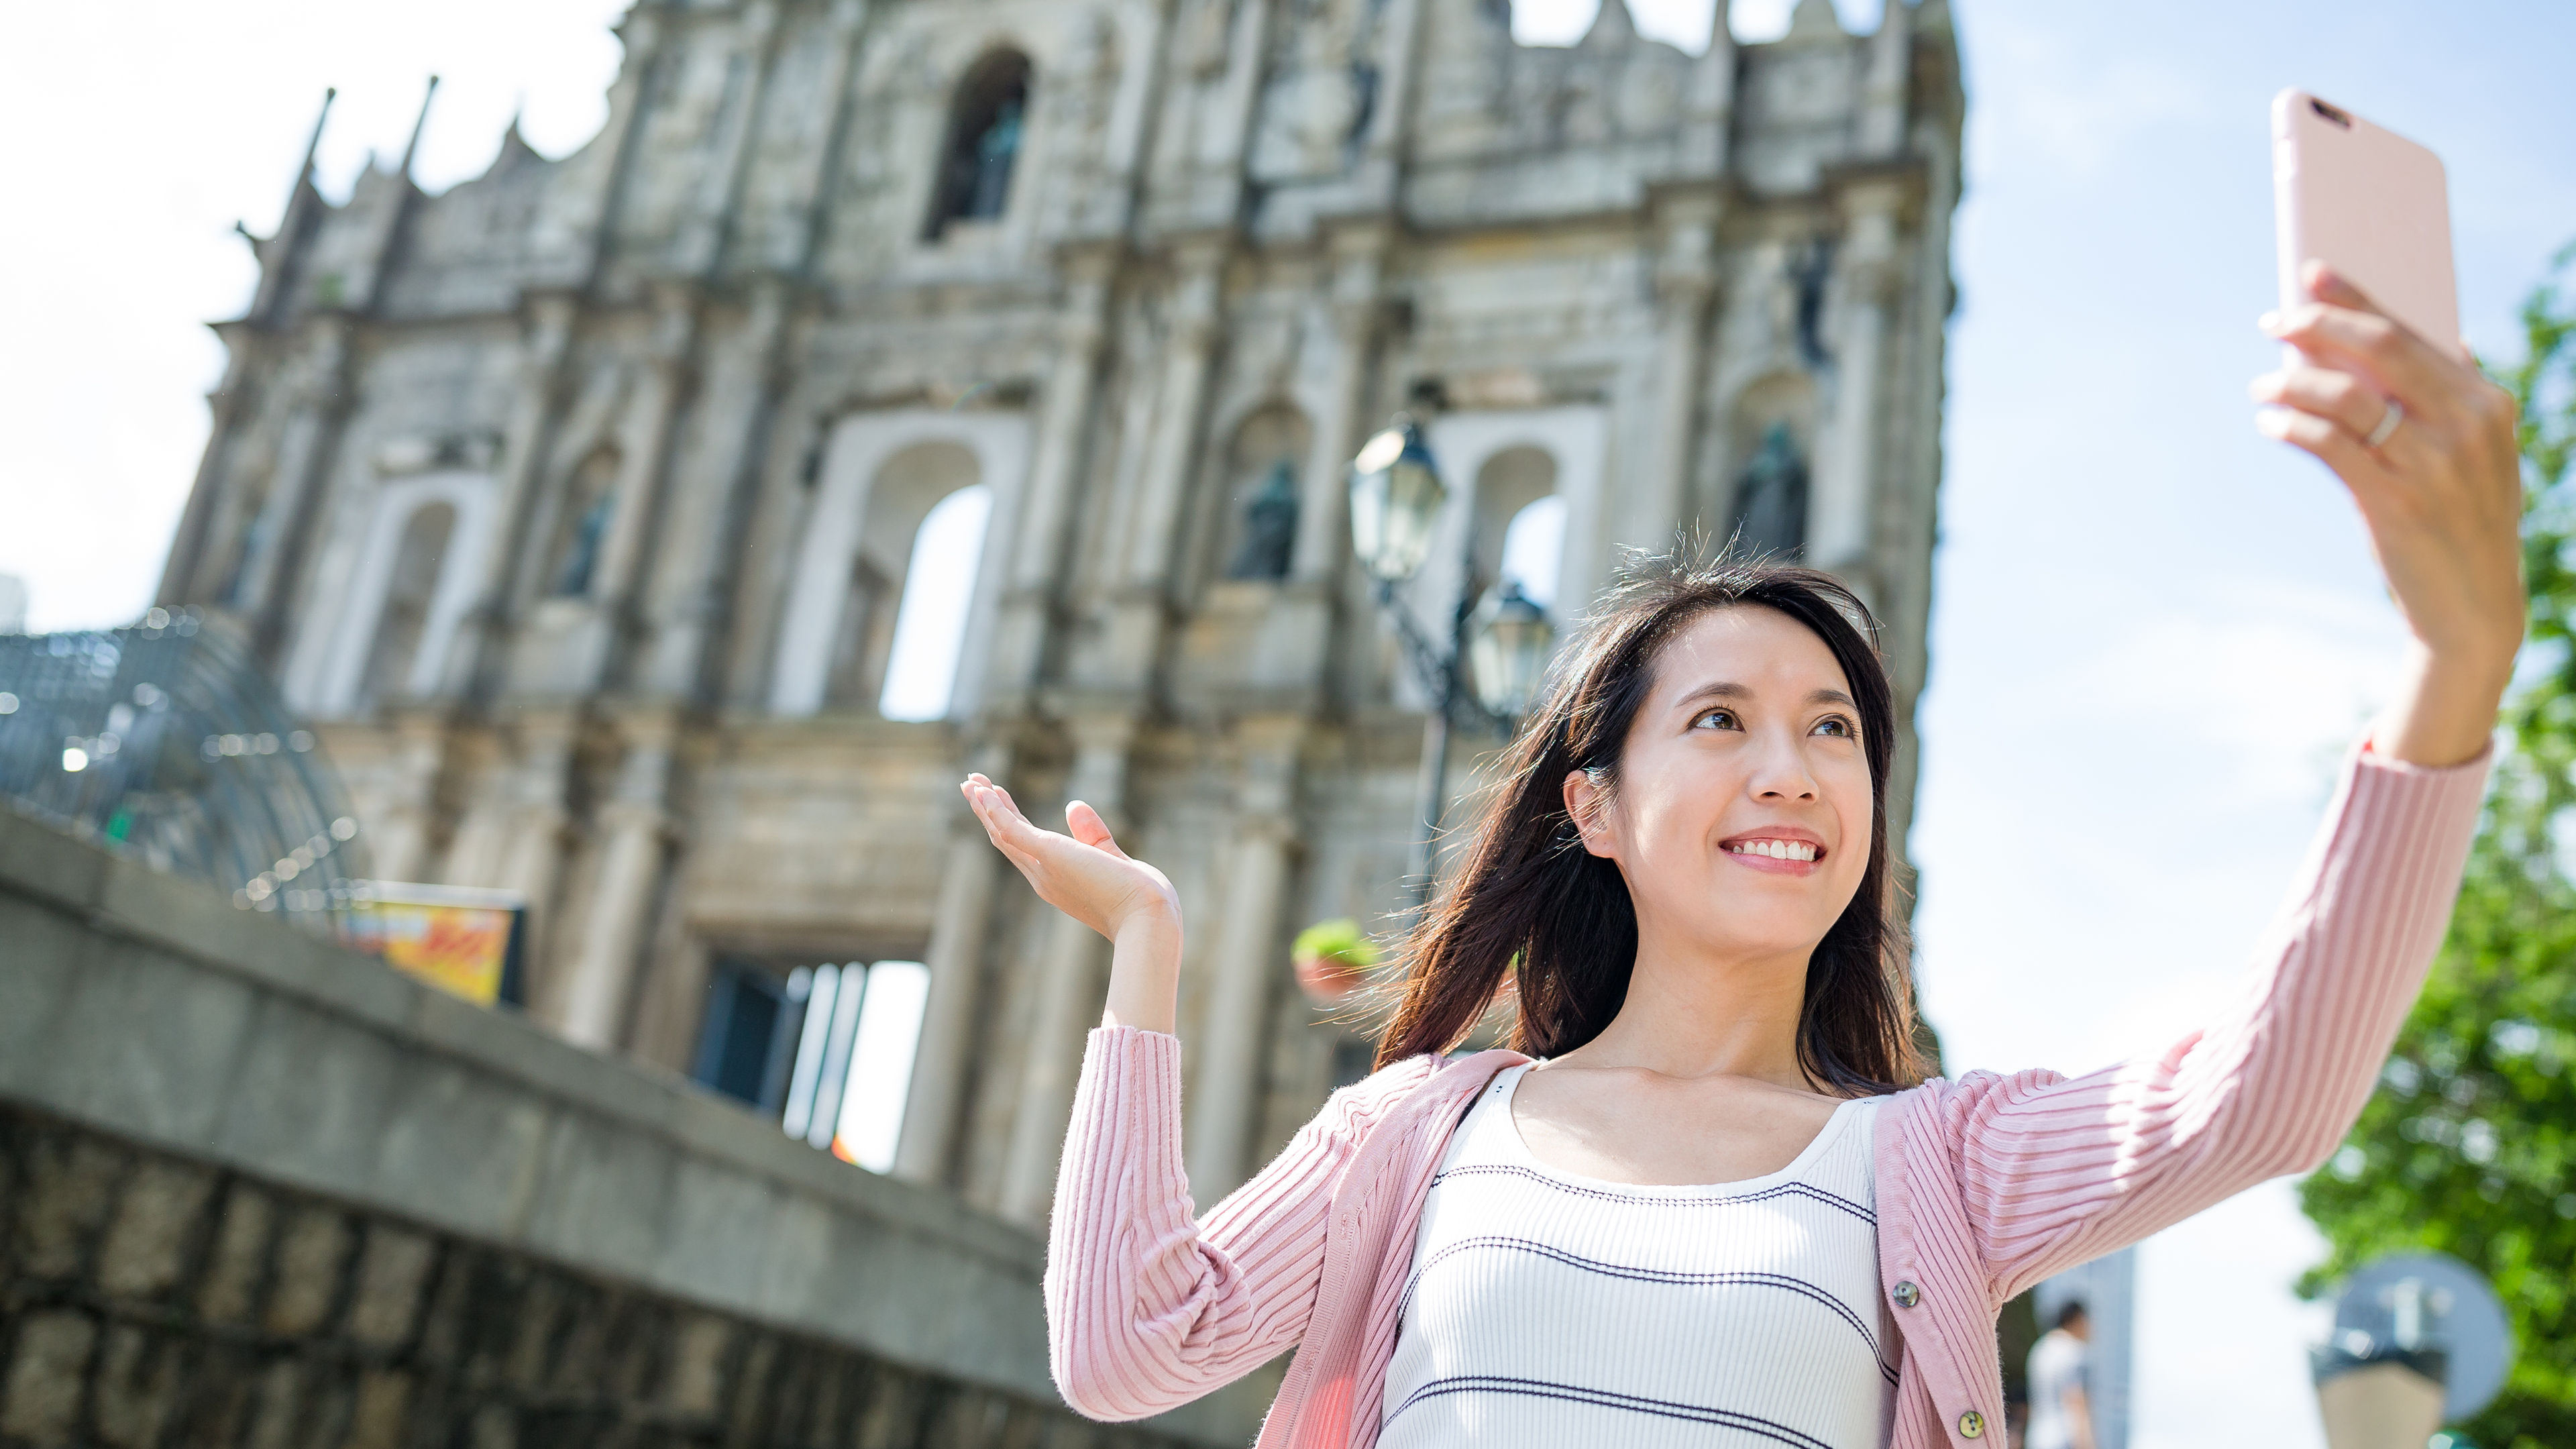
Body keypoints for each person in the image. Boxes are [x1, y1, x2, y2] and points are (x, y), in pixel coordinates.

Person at [959, 261, 2521, 1448]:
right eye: (1720, 717)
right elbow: (1122, 1348)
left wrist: (2451, 670)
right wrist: (1143, 958)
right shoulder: (1416, 1127)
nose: (1790, 765)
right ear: (1591, 803)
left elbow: (2269, 1093)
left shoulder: (1937, 1167)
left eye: (1833, 728)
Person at [2025, 1303, 2095, 1449]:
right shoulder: (2073, 1351)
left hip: (2037, 1436)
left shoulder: (2040, 1348)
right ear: (2078, 1320)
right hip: (2064, 1438)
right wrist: (2086, 1444)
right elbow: (2076, 1400)